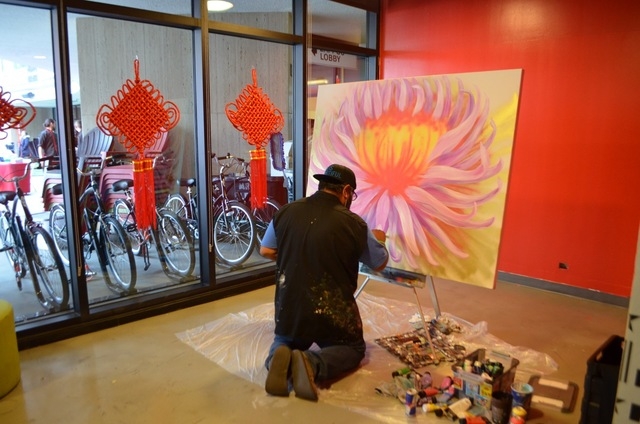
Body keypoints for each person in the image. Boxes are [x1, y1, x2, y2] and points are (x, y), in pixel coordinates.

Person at [259, 164, 389, 401]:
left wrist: (296, 253)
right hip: (331, 311)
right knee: (353, 349)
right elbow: (379, 263)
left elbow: (266, 249)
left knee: (285, 339)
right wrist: (378, 240)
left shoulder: (286, 211)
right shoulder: (354, 223)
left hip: (290, 308)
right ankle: (311, 364)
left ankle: (279, 357)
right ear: (347, 191)